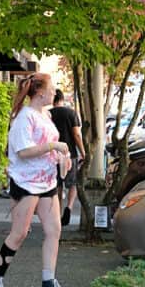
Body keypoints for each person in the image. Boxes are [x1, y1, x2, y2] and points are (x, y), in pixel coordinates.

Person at [0, 73, 77, 287]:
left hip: (47, 181)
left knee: (54, 230)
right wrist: (53, 145)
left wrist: (60, 157)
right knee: (19, 233)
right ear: (40, 92)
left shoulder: (44, 114)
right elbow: (23, 151)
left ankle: (48, 282)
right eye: (52, 87)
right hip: (26, 182)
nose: (55, 91)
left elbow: (47, 147)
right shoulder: (24, 117)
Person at [49, 89, 85, 227]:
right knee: (73, 183)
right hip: (70, 154)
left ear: (53, 99)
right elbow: (76, 134)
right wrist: (83, 152)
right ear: (62, 99)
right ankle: (69, 207)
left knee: (56, 185)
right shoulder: (71, 113)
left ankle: (57, 214)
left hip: (53, 154)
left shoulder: (48, 115)